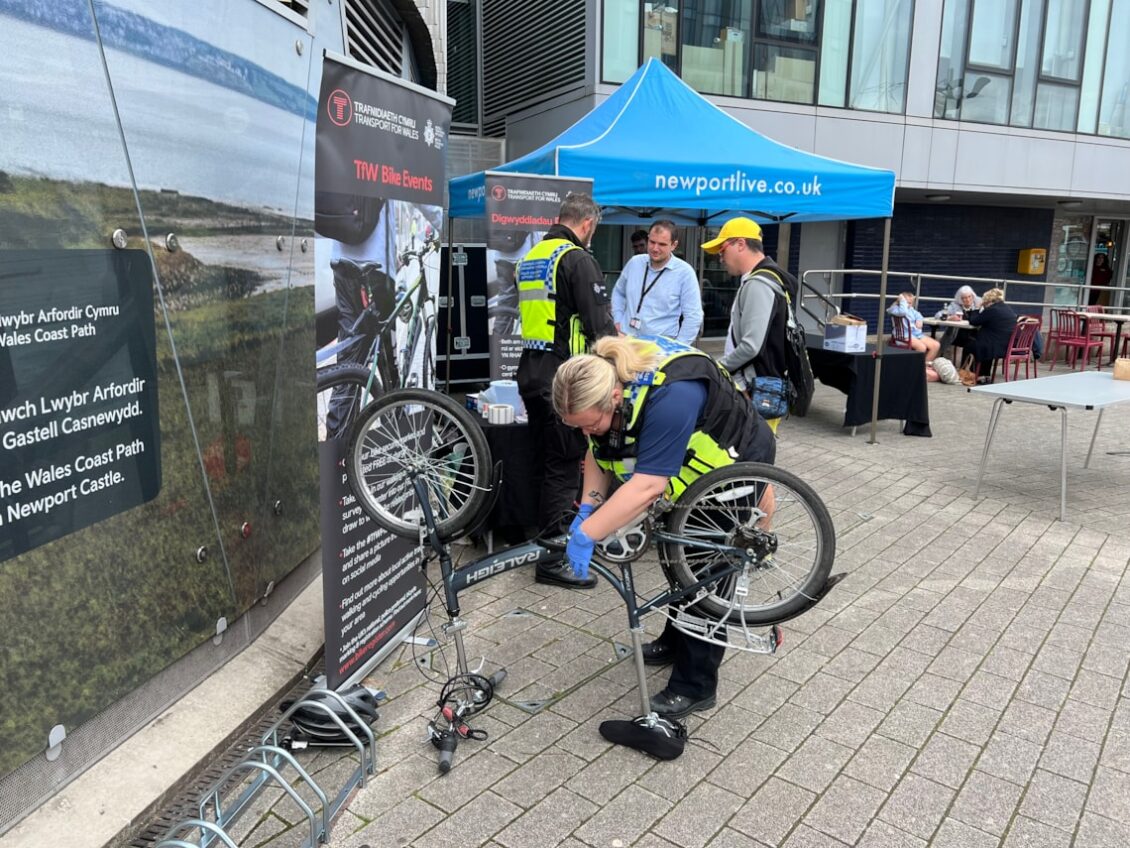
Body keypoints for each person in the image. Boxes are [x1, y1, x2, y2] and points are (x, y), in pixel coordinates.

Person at [552, 334, 776, 718]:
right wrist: (588, 508)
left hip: (734, 463)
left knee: (704, 573)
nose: (586, 433)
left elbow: (648, 486)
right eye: (579, 427)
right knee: (677, 558)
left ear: (615, 398)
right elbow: (599, 453)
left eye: (590, 424)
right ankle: (675, 641)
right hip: (687, 471)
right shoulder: (604, 382)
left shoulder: (672, 397)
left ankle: (694, 686)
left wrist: (587, 534)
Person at [516, 192, 617, 587]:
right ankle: (553, 559)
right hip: (565, 380)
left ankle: (542, 543)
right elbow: (600, 328)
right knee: (564, 466)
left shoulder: (533, 257)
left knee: (545, 462)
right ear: (588, 224)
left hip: (531, 373)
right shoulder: (577, 259)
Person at [703, 217, 796, 433]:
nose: (720, 258)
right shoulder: (767, 279)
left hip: (753, 391)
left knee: (751, 450)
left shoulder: (758, 284)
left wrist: (718, 368)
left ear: (740, 244)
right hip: (760, 388)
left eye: (722, 250)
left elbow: (751, 346)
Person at [612, 220, 703, 343]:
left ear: (674, 245)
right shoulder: (634, 263)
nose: (655, 248)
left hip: (659, 347)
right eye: (652, 242)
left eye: (662, 244)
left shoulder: (685, 273)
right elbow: (618, 293)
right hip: (626, 340)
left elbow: (693, 316)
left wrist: (677, 348)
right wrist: (617, 320)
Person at [966, 288, 1018, 382]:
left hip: (995, 346)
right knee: (984, 343)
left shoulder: (992, 310)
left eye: (984, 303)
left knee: (968, 345)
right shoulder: (1007, 308)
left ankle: (973, 374)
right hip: (1006, 345)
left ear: (989, 301)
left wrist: (976, 309)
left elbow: (974, 321)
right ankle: (985, 375)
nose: (984, 306)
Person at [887, 292, 941, 362]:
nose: (908, 305)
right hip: (904, 336)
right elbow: (903, 312)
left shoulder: (911, 310)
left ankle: (924, 365)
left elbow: (918, 315)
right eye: (906, 302)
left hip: (916, 335)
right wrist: (902, 301)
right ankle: (915, 366)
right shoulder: (895, 309)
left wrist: (919, 320)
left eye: (910, 303)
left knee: (936, 345)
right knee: (922, 347)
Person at [935, 285, 981, 360]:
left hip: (974, 334)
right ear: (960, 298)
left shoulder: (978, 303)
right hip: (957, 334)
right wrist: (950, 318)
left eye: (969, 297)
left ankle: (969, 366)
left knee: (975, 343)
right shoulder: (955, 305)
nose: (968, 300)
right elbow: (938, 315)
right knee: (969, 343)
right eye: (964, 298)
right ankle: (963, 365)